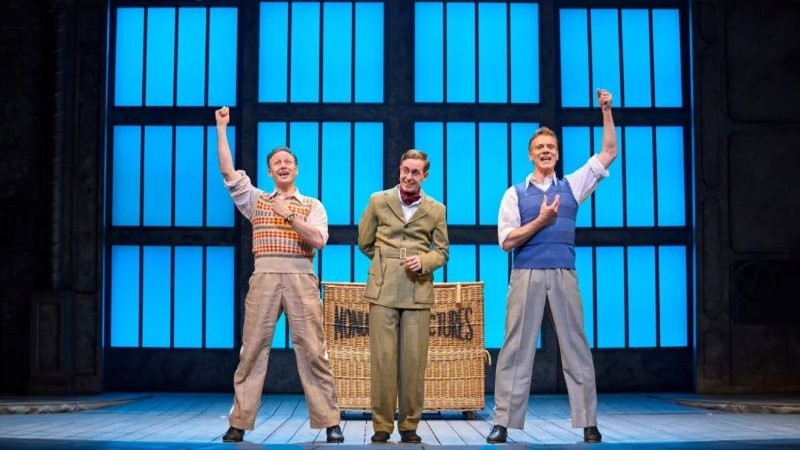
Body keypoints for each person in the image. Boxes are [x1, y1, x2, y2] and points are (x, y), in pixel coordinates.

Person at [487, 89, 617, 445]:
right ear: (531, 155)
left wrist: (606, 111)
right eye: (540, 148)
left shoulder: (572, 186)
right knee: (516, 348)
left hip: (563, 273)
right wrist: (540, 222)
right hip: (526, 274)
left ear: (557, 154)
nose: (546, 151)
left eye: (551, 147)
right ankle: (503, 422)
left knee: (575, 345)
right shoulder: (514, 193)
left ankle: (588, 422)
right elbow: (506, 241)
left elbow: (609, 152)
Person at [214, 106, 343, 444]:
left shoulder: (312, 204)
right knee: (252, 349)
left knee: (313, 349)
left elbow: (319, 240)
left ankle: (330, 420)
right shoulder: (257, 200)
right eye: (277, 163)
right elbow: (227, 170)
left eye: (288, 162)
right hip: (265, 275)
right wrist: (222, 128)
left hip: (301, 276)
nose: (283, 166)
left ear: (296, 169)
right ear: (269, 171)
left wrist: (289, 216)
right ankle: (239, 421)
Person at [357, 149, 449, 444]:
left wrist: (424, 261)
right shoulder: (378, 200)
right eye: (405, 170)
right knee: (382, 361)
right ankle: (382, 426)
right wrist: (385, 262)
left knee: (413, 362)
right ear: (399, 170)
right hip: (383, 289)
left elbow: (442, 252)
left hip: (417, 289)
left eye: (416, 172)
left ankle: (409, 425)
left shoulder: (436, 209)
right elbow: (365, 242)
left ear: (425, 176)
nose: (409, 176)